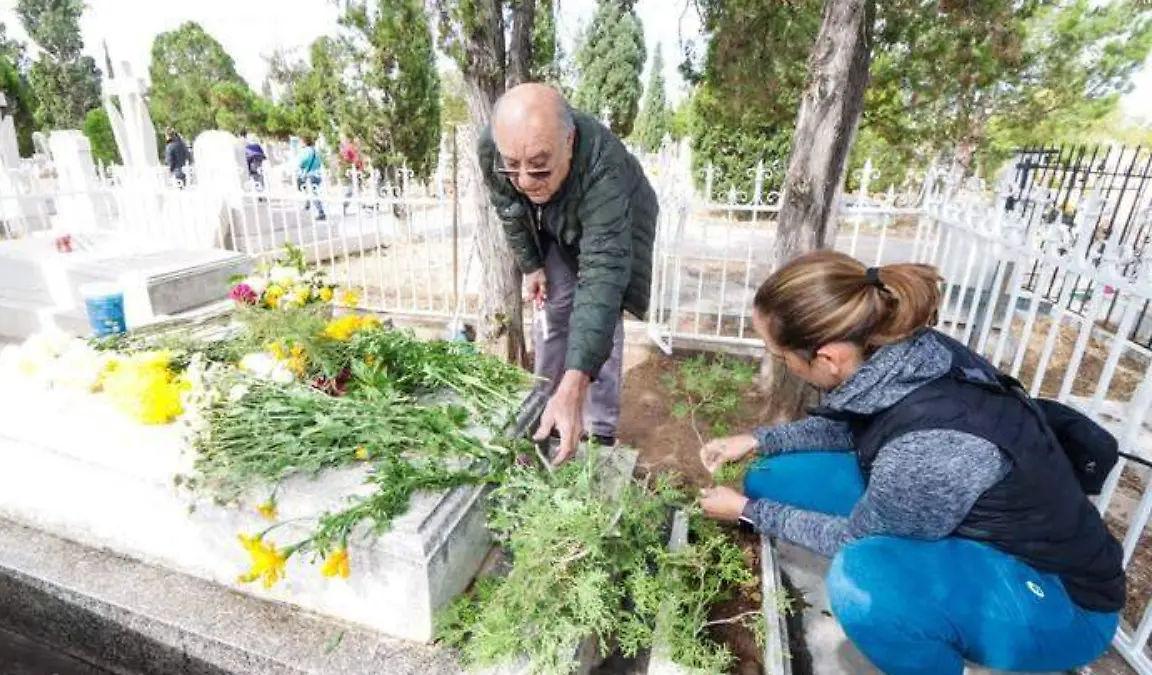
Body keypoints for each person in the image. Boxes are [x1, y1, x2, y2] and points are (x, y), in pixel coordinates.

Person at [698, 250, 1124, 675]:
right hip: (965, 515)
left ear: (827, 358)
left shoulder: (929, 446)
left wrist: (750, 514)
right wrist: (757, 439)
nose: (781, 363)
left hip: (1060, 601)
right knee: (770, 475)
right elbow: (857, 427)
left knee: (863, 582)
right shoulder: (897, 352)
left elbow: (852, 538)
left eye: (780, 356)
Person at [478, 82, 658, 464]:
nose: (525, 182)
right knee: (554, 311)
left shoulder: (603, 168)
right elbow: (511, 210)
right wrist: (532, 265)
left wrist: (577, 379)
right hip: (558, 222)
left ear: (570, 142)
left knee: (600, 321)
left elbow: (603, 275)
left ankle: (599, 429)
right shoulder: (495, 147)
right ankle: (547, 411)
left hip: (615, 222)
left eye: (539, 167)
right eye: (513, 167)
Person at [297, 135, 326, 221]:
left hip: (309, 174)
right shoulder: (315, 151)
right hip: (317, 174)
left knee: (312, 193)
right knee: (312, 190)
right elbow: (320, 162)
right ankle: (307, 204)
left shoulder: (306, 151)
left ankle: (321, 212)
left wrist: (300, 167)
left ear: (304, 142)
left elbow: (302, 162)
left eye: (300, 142)